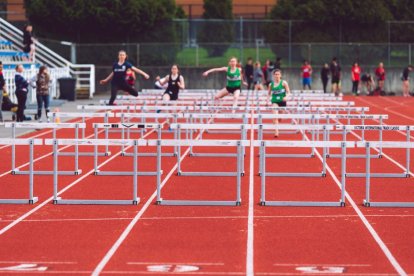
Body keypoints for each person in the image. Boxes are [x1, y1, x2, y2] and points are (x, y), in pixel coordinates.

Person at [268, 69, 290, 137]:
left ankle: (276, 121)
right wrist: (269, 99)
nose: (277, 76)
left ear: (280, 75)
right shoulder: (271, 84)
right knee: (275, 117)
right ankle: (276, 132)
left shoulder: (284, 83)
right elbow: (269, 94)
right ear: (273, 75)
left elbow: (288, 92)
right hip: (275, 101)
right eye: (275, 74)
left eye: (278, 74)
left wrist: (286, 97)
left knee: (280, 117)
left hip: (282, 101)